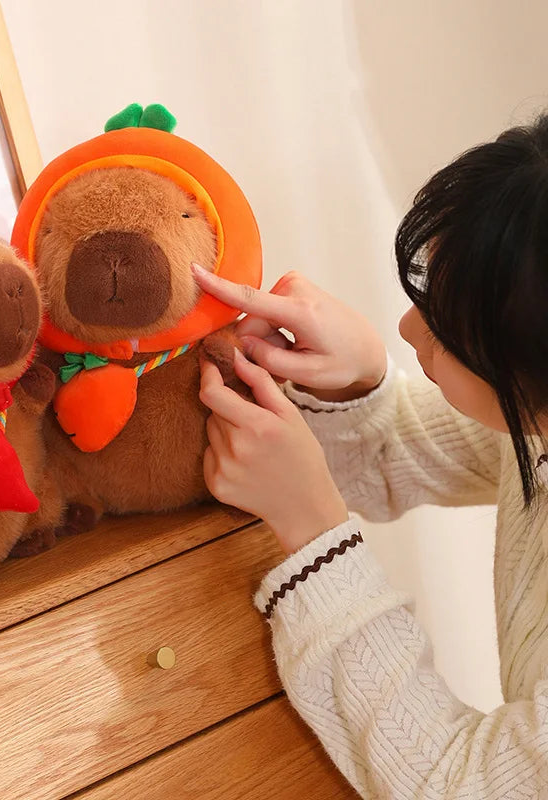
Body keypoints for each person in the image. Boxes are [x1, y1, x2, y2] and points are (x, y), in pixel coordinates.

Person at [193, 115, 548, 798]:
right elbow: (438, 448)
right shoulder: (530, 424)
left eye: (444, 327)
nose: (409, 327)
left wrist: (315, 535)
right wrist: (361, 380)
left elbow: (460, 783)